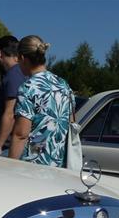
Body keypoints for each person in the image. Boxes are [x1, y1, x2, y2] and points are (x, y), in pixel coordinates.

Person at [8, 35, 74, 167]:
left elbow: (21, 134)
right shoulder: (63, 85)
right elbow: (70, 122)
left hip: (33, 166)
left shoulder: (28, 88)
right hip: (60, 165)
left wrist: (9, 166)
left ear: (23, 58)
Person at [0, 36, 25, 152]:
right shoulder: (22, 73)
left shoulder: (13, 76)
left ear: (0, 54)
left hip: (8, 147)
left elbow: (10, 114)